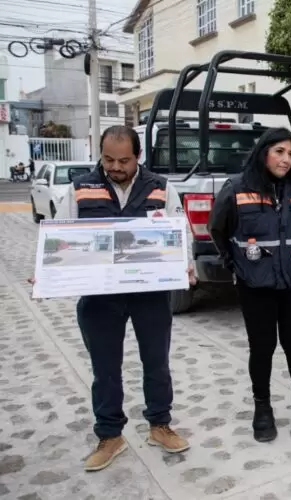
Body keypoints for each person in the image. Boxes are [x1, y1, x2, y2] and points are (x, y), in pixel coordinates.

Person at [49, 126, 193, 472]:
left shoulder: (161, 188)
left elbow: (180, 231)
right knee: (106, 370)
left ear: (138, 157)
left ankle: (159, 425)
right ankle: (110, 435)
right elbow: (59, 236)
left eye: (123, 160)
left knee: (156, 362)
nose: (115, 166)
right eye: (108, 159)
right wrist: (49, 269)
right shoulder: (81, 188)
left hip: (150, 295)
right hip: (100, 298)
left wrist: (186, 266)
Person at [208, 127, 291, 443]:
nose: (286, 159)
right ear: (263, 152)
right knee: (262, 347)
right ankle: (263, 408)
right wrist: (237, 264)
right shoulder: (237, 188)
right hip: (255, 284)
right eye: (279, 151)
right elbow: (218, 230)